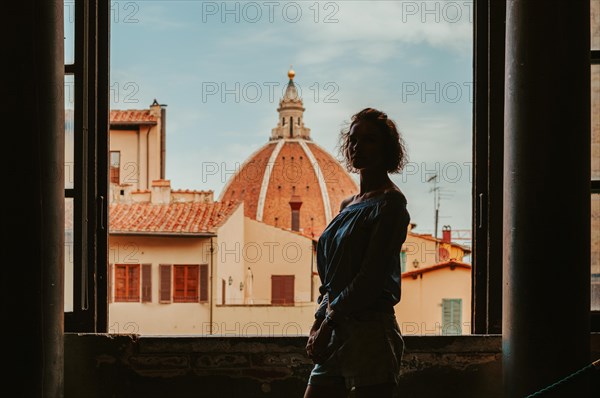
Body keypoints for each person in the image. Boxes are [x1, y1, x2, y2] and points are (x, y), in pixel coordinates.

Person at [303, 108, 411, 398]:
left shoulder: (391, 205)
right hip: (335, 326)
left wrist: (327, 323)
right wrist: (318, 322)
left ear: (387, 149)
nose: (357, 146)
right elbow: (331, 279)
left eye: (369, 140)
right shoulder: (347, 206)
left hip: (371, 332)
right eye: (352, 139)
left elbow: (370, 278)